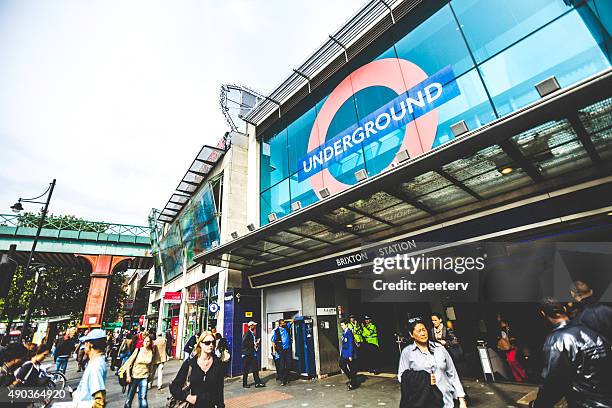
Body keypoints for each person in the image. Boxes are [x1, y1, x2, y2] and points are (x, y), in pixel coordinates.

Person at [530, 298, 612, 407]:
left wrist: (537, 405)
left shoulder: (558, 339)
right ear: (565, 308)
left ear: (543, 313)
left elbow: (553, 384)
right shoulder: (590, 330)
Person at [398, 317, 467, 408]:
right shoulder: (407, 352)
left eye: (424, 330)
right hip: (424, 402)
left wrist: (461, 399)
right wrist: (423, 379)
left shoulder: (440, 349)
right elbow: (402, 376)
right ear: (411, 334)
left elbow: (452, 374)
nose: (423, 333)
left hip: (446, 401)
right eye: (419, 331)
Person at [169, 331, 225, 407]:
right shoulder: (190, 364)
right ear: (200, 344)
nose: (211, 345)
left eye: (213, 342)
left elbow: (219, 390)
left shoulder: (218, 364)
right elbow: (174, 387)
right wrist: (187, 397)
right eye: (207, 343)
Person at [72, 329, 108, 407]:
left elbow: (100, 400)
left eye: (85, 343)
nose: (84, 345)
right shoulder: (95, 361)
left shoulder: (96, 365)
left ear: (90, 344)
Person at [119, 334, 155, 408]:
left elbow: (151, 366)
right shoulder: (138, 350)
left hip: (144, 376)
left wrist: (150, 377)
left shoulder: (151, 352)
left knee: (143, 397)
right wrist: (128, 376)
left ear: (150, 343)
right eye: (145, 341)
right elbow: (129, 362)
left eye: (148, 341)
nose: (146, 343)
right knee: (129, 398)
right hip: (134, 376)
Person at [241, 321, 264, 388]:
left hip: (252, 353)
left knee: (255, 368)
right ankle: (244, 384)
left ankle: (257, 383)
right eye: (253, 325)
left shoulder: (252, 333)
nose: (254, 327)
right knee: (246, 369)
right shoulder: (247, 333)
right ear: (250, 326)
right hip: (248, 354)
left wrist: (256, 343)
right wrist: (253, 344)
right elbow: (244, 343)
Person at [339, 319, 359, 390]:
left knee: (352, 369)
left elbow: (351, 345)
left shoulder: (349, 332)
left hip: (350, 354)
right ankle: (351, 378)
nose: (342, 326)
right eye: (341, 325)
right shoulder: (344, 332)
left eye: (343, 325)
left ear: (346, 324)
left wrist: (350, 355)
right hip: (344, 353)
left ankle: (353, 384)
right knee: (341, 364)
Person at [271, 319, 291, 386]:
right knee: (282, 365)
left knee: (288, 363)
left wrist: (285, 320)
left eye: (284, 323)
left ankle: (286, 377)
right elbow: (273, 341)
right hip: (281, 350)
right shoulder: (276, 331)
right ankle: (282, 380)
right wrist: (274, 350)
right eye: (282, 323)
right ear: (280, 324)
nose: (284, 324)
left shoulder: (286, 327)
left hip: (287, 349)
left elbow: (292, 320)